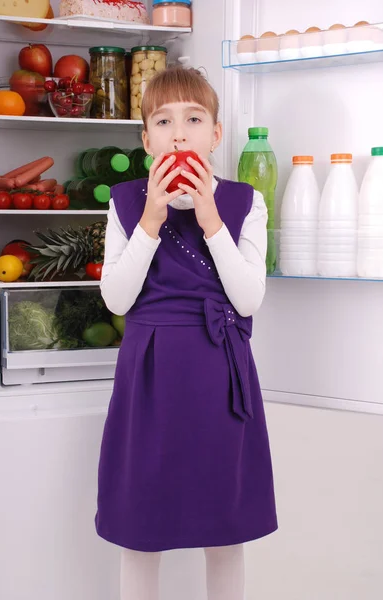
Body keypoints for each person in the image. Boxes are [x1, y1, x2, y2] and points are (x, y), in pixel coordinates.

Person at [95, 66, 277, 600]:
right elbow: (117, 299)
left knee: (224, 526)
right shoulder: (127, 203)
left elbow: (247, 299)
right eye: (164, 120)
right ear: (146, 139)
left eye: (194, 119)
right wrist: (151, 219)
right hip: (148, 379)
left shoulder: (245, 202)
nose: (179, 133)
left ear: (215, 134)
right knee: (140, 525)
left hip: (219, 378)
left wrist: (210, 218)